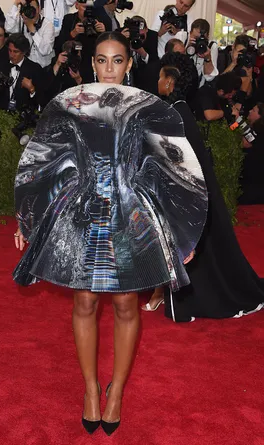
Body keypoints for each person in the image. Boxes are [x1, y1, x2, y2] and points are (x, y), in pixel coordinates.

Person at [13, 31, 208, 434]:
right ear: (92, 63)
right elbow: (44, 161)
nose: (108, 69)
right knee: (84, 300)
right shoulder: (69, 106)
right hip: (82, 212)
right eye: (101, 60)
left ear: (129, 64)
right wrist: (27, 216)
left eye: (117, 60)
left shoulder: (146, 108)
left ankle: (115, 391)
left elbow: (172, 170)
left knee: (124, 304)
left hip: (130, 214)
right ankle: (89, 389)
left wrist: (178, 235)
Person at [142, 51, 264, 321]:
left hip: (186, 193)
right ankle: (160, 289)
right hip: (187, 190)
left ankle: (170, 292)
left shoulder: (176, 113)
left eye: (161, 76)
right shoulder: (179, 110)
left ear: (170, 81)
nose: (158, 81)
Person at [5, 0, 55, 68]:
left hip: (42, 68)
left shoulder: (48, 25)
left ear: (39, 8)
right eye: (28, 9)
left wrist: (32, 29)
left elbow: (45, 51)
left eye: (33, 8)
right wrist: (16, 4)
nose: (31, 12)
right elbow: (8, 28)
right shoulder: (22, 20)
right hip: (24, 66)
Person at [238, 103, 264, 205]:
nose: (249, 111)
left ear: (259, 116)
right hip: (246, 175)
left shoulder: (260, 131)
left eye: (253, 110)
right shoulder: (249, 126)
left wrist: (238, 119)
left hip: (255, 178)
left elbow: (250, 139)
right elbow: (233, 128)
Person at [186, 18, 218, 88]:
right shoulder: (184, 40)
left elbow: (209, 78)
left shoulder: (211, 46)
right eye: (196, 38)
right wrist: (187, 48)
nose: (199, 42)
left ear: (208, 36)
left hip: (199, 87)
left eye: (202, 39)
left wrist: (207, 58)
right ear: (190, 33)